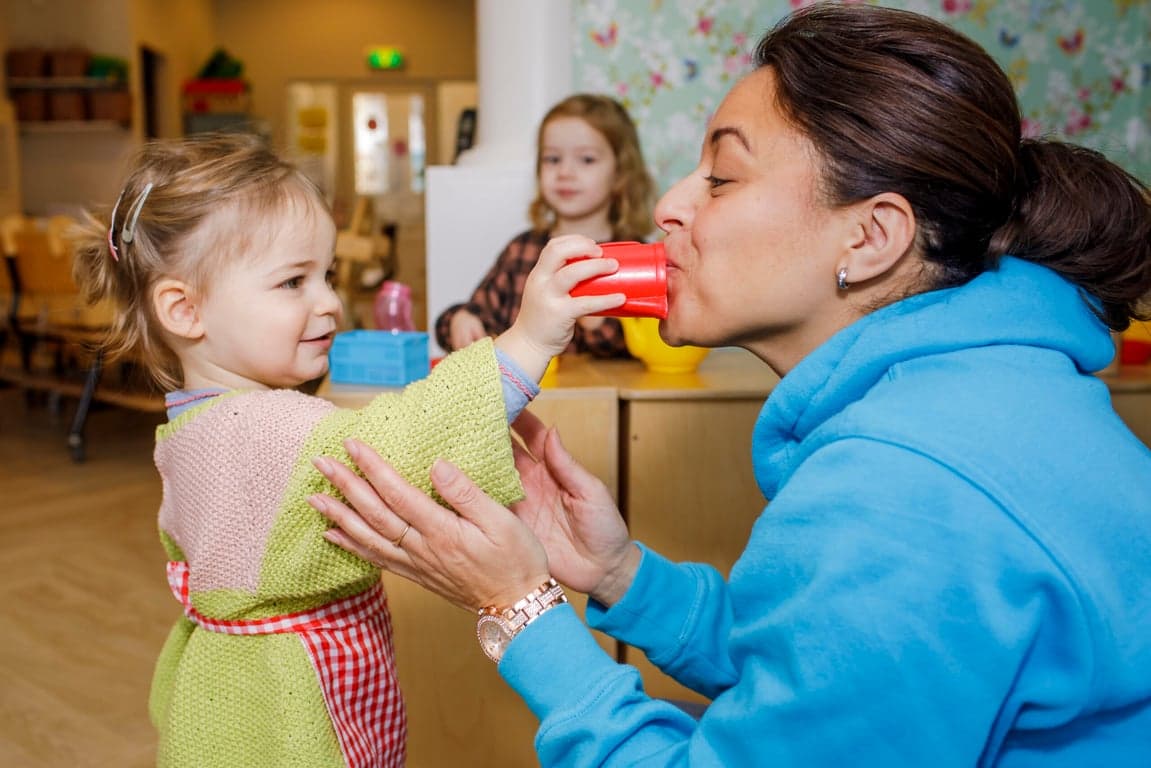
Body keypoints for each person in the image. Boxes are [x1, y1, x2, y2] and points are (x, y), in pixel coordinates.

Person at [308, 4, 1151, 766]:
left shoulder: (904, 488)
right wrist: (616, 572)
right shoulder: (985, 392)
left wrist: (518, 605)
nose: (671, 207)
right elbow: (818, 672)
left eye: (720, 177)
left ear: (871, 236)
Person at [70, 132, 625, 768]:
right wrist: (526, 341)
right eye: (292, 282)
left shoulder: (207, 420)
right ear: (185, 309)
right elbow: (403, 445)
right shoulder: (256, 434)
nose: (330, 302)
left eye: (326, 275)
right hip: (283, 728)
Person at [435, 93, 657, 358]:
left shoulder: (636, 259)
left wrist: (597, 323)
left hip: (603, 397)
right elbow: (476, 312)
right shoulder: (523, 251)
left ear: (621, 172)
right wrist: (461, 320)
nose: (564, 172)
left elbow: (652, 346)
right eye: (552, 159)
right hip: (527, 397)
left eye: (586, 160)